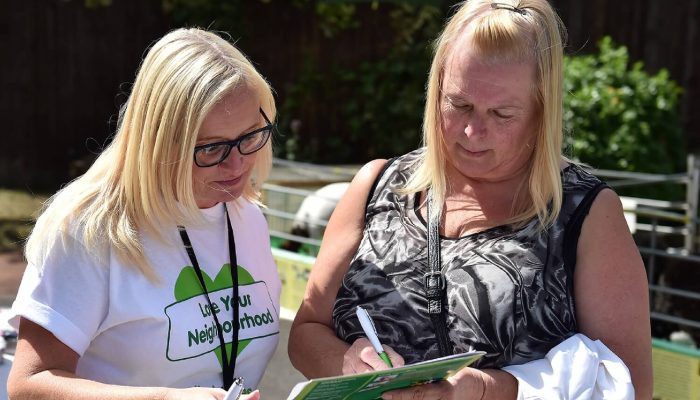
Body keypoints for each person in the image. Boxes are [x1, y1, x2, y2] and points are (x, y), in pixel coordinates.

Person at [288, 0, 652, 399]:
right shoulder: (377, 184)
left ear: (540, 112)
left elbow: (627, 384)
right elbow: (306, 333)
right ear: (436, 89)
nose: (472, 131)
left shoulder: (587, 214)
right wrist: (347, 363)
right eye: (458, 104)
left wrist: (488, 391)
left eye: (501, 114)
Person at [8, 28, 281, 400]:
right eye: (211, 147)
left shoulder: (246, 215)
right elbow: (28, 385)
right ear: (160, 142)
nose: (237, 163)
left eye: (251, 136)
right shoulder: (90, 229)